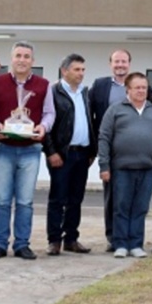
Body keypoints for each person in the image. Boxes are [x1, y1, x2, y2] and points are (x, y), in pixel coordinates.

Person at [0, 41, 55, 260]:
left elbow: (49, 113)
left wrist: (43, 127)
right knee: (2, 200)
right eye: (18, 56)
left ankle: (22, 244)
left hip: (30, 149)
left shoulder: (43, 85)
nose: (22, 60)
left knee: (25, 201)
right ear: (11, 59)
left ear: (32, 61)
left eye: (26, 56)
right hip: (2, 148)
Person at [98, 72, 152, 259]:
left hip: (147, 168)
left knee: (140, 208)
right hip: (121, 168)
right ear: (128, 89)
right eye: (137, 87)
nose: (141, 91)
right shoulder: (115, 109)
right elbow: (104, 138)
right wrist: (104, 166)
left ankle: (136, 244)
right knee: (121, 207)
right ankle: (120, 244)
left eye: (144, 87)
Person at [43, 54, 96, 256]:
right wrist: (51, 151)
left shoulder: (85, 93)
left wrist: (92, 151)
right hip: (61, 154)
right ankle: (54, 240)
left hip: (82, 154)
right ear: (64, 70)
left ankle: (71, 238)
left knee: (76, 198)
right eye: (77, 69)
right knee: (58, 198)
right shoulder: (53, 92)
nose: (81, 73)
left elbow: (90, 122)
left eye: (83, 70)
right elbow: (46, 125)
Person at [89, 49, 134, 252]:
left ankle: (131, 236)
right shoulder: (100, 86)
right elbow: (86, 108)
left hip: (134, 150)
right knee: (112, 196)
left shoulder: (139, 85)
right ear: (110, 64)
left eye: (124, 62)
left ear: (129, 64)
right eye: (116, 62)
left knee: (132, 195)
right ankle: (112, 237)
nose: (120, 65)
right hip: (109, 149)